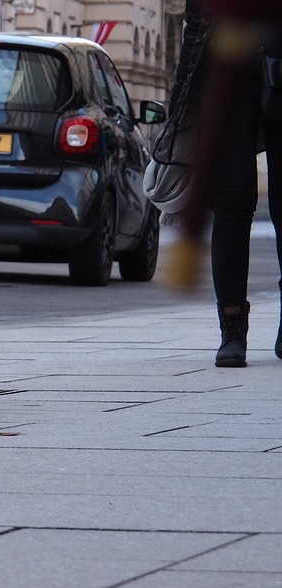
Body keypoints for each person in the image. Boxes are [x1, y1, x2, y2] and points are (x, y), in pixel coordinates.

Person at [166, 0, 282, 366]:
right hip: (229, 68)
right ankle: (232, 329)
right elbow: (197, 21)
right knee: (232, 197)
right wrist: (180, 100)